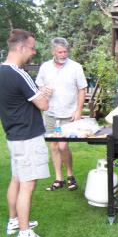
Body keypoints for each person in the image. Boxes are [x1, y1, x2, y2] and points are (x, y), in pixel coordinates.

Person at [0, 29, 52, 237]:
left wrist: (37, 93)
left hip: (13, 135)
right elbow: (43, 105)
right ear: (21, 47)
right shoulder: (18, 73)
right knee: (27, 186)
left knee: (17, 179)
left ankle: (14, 222)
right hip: (28, 137)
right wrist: (45, 94)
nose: (33, 53)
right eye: (32, 48)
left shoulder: (1, 72)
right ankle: (24, 234)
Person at [36, 37, 87, 191]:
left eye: (65, 51)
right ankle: (59, 179)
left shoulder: (76, 67)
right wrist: (42, 90)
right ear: (53, 51)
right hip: (51, 113)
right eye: (60, 52)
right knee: (54, 146)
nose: (63, 54)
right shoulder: (45, 67)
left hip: (68, 114)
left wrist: (78, 110)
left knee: (64, 146)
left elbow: (82, 89)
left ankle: (70, 175)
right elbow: (39, 85)